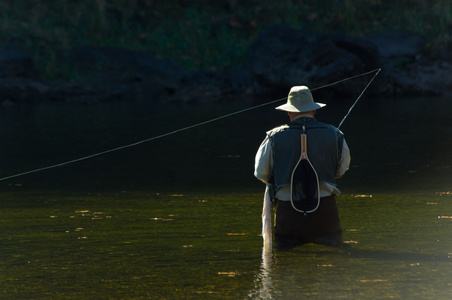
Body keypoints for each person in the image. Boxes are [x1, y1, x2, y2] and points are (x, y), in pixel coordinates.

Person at [254, 86, 351, 249]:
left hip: (288, 213)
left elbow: (260, 172)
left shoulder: (273, 136)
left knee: (283, 260)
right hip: (325, 211)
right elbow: (341, 170)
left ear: (289, 112)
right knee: (335, 257)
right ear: (313, 111)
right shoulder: (335, 133)